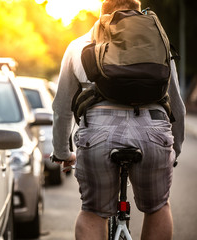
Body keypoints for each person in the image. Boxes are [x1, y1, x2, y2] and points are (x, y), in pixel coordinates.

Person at [51, 0, 186, 239]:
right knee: (157, 207)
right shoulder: (158, 44)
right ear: (138, 12)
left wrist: (62, 153)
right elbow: (177, 108)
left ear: (103, 15)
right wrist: (174, 149)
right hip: (153, 132)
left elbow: (61, 108)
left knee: (93, 211)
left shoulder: (78, 46)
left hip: (98, 134)